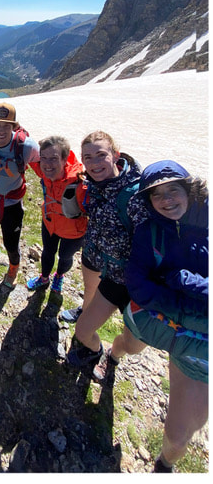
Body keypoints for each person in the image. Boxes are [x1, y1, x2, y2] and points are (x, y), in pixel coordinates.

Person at [122, 161, 208, 473]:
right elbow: (137, 283)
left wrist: (190, 282)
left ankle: (164, 465)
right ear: (149, 201)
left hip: (194, 334)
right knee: (129, 346)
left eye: (173, 189)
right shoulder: (148, 231)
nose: (167, 199)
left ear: (188, 189)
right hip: (157, 319)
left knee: (186, 428)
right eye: (157, 195)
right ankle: (114, 356)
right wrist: (187, 304)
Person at [63, 131, 148, 370]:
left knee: (134, 344)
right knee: (85, 320)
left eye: (101, 155)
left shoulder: (136, 195)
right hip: (97, 259)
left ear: (116, 155)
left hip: (135, 282)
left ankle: (116, 354)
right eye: (88, 157)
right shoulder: (92, 184)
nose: (94, 163)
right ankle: (94, 349)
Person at [0, 103, 39, 288]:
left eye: (6, 125)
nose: (1, 130)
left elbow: (43, 165)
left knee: (12, 242)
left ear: (14, 127)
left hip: (12, 203)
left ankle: (13, 265)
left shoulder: (26, 146)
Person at [26, 136, 87, 294]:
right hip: (49, 222)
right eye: (44, 158)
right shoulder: (44, 170)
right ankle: (44, 278)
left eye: (53, 158)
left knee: (65, 257)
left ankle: (59, 275)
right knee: (47, 252)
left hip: (73, 231)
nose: (47, 164)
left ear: (65, 158)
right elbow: (28, 150)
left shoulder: (80, 181)